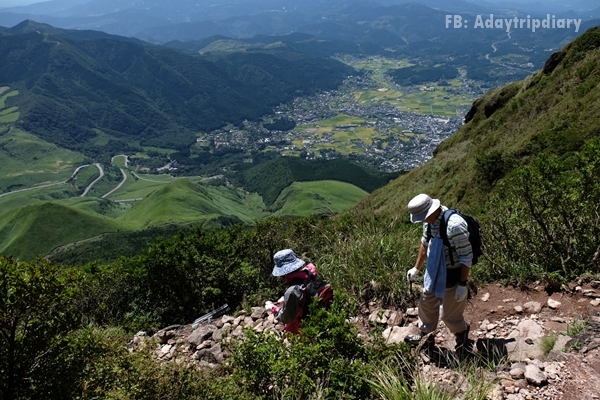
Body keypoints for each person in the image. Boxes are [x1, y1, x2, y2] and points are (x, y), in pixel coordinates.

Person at [405, 193, 473, 358]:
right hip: (434, 268)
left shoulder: (454, 225)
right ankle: (426, 336)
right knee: (427, 303)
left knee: (449, 314)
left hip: (453, 272)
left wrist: (462, 284)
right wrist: (416, 268)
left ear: (432, 210)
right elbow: (424, 243)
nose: (422, 220)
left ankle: (461, 333)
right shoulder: (428, 222)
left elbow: (466, 257)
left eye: (423, 217)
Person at [268, 249, 320, 334]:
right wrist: (286, 299)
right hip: (319, 322)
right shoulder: (310, 274)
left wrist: (272, 308)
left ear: (283, 274)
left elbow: (286, 318)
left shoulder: (292, 291)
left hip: (302, 332)